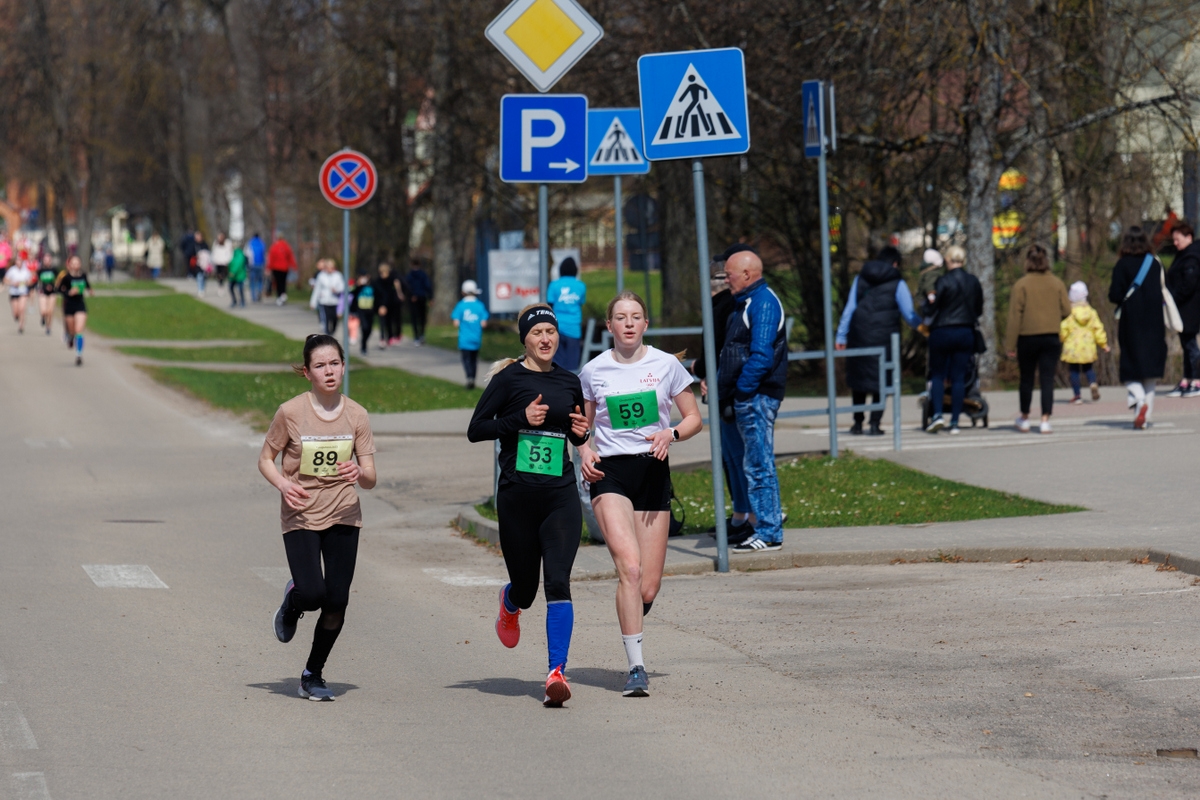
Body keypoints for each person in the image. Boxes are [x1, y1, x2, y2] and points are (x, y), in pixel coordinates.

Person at [577, 292, 702, 697]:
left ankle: (632, 606)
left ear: (645, 324)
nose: (628, 324)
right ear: (609, 326)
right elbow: (581, 427)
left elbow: (694, 418)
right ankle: (636, 668)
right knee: (628, 569)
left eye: (635, 317)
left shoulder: (666, 364)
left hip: (652, 469)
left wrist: (672, 432)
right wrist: (583, 450)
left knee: (647, 586)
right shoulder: (593, 370)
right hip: (610, 473)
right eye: (620, 317)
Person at [466, 305, 590, 707]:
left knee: (558, 580)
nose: (545, 338)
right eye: (537, 332)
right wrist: (520, 418)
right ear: (525, 339)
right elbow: (476, 430)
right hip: (517, 498)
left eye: (550, 332)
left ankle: (557, 672)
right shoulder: (508, 379)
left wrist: (580, 432)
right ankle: (510, 603)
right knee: (527, 587)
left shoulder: (570, 382)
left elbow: (575, 434)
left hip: (559, 496)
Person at [260, 334, 376, 701]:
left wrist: (359, 473)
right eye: (320, 365)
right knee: (313, 593)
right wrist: (282, 483)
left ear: (344, 366)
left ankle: (313, 673)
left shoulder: (357, 414)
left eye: (335, 364)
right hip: (301, 513)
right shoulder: (291, 412)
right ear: (307, 372)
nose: (329, 371)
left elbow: (371, 478)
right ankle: (293, 600)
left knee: (337, 601)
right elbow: (265, 459)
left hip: (344, 512)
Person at [718, 248, 789, 553]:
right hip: (749, 396)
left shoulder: (763, 304)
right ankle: (764, 527)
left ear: (747, 275)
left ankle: (770, 532)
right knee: (753, 464)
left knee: (759, 465)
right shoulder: (747, 303)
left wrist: (743, 391)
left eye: (729, 274)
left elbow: (762, 355)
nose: (725, 279)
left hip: (756, 397)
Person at [692, 245, 753, 543]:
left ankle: (749, 516)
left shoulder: (725, 307)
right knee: (732, 456)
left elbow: (719, 350)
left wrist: (701, 369)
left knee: (738, 456)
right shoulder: (729, 305)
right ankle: (741, 514)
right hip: (722, 385)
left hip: (729, 389)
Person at [835, 246, 921, 435]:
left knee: (859, 380)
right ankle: (874, 424)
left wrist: (841, 335)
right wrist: (923, 326)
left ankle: (857, 424)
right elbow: (909, 314)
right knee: (881, 381)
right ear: (895, 263)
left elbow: (849, 309)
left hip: (859, 335)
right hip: (884, 338)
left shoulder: (860, 278)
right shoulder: (898, 283)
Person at [1005, 244, 1071, 434]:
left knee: (1026, 379)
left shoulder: (1021, 285)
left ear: (1027, 261)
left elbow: (1014, 316)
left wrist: (1010, 344)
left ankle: (1025, 417)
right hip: (1051, 336)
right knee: (1047, 379)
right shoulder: (1056, 283)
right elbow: (1067, 310)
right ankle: (1045, 420)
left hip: (1027, 337)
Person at [1108, 226, 1167, 430]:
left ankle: (1139, 401)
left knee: (1130, 370)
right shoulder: (1155, 264)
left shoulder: (1122, 265)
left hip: (1131, 323)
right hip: (1154, 323)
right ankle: (1143, 418)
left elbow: (1114, 295)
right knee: (1150, 373)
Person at [922, 246, 983, 433]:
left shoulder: (942, 281)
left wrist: (926, 307)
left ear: (948, 260)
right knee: (958, 377)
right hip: (965, 332)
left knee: (938, 375)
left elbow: (933, 309)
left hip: (942, 332)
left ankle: (938, 415)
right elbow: (979, 309)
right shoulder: (973, 281)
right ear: (963, 261)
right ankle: (955, 421)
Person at [1165, 222, 1200, 397]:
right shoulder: (1183, 255)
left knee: (1191, 345)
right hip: (1182, 307)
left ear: (1188, 237)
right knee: (1186, 344)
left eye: (1178, 240)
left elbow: (1189, 283)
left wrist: (1174, 298)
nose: (1175, 244)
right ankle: (1187, 379)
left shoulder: (1192, 257)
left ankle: (1196, 380)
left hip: (1190, 307)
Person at [1060, 281, 1109, 404]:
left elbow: (1063, 329)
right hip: (1088, 347)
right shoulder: (1091, 312)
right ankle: (1092, 384)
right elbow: (1098, 329)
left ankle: (1077, 396)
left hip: (1073, 348)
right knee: (1088, 369)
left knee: (1074, 371)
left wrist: (1061, 339)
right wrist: (1103, 344)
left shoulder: (1069, 314)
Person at [547, 257, 587, 370]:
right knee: (572, 363)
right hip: (574, 328)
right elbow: (581, 302)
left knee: (557, 360)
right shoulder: (581, 286)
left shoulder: (554, 285)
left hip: (557, 327)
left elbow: (550, 304)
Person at [451, 279, 489, 389]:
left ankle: (469, 377)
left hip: (464, 339)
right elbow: (484, 323)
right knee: (474, 360)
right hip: (476, 338)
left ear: (463, 292)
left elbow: (455, 322)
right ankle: (473, 376)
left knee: (466, 359)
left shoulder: (461, 305)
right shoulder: (480, 305)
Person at [55, 255, 92, 366]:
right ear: (70, 265)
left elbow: (88, 285)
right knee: (72, 331)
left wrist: (90, 291)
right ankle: (70, 336)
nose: (76, 265)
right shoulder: (66, 277)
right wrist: (68, 293)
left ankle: (79, 355)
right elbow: (58, 290)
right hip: (69, 305)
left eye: (77, 263)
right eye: (73, 263)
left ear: (80, 264)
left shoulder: (83, 275)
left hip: (80, 305)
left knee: (79, 330)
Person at [310, 259, 345, 335]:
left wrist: (336, 290)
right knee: (326, 319)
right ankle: (327, 334)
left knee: (334, 319)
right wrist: (313, 302)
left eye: (331, 267)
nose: (329, 269)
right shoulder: (321, 276)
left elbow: (342, 287)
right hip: (324, 301)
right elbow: (317, 289)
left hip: (335, 301)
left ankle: (332, 331)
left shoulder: (338, 275)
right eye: (327, 267)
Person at [372, 264, 403, 349]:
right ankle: (382, 338)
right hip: (381, 305)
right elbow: (377, 294)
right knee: (382, 322)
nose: (383, 275)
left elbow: (391, 293)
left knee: (389, 321)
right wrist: (381, 306)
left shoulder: (392, 281)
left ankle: (390, 337)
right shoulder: (377, 282)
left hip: (390, 304)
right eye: (381, 273)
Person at [5, 253, 35, 333]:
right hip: (14, 292)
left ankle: (21, 326)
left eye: (20, 261)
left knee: (22, 309)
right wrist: (12, 283)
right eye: (17, 261)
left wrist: (23, 283)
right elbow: (5, 280)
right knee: (16, 312)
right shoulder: (12, 270)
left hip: (23, 292)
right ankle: (16, 316)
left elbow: (30, 282)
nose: (19, 263)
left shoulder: (26, 271)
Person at [349, 270, 376, 355]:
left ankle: (364, 341)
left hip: (370, 310)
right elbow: (351, 293)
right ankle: (363, 346)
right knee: (364, 327)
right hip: (360, 310)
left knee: (369, 329)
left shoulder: (373, 285)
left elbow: (378, 295)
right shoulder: (357, 286)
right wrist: (358, 285)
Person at [405, 259, 432, 344]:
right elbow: (428, 286)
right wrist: (430, 297)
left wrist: (412, 295)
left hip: (414, 298)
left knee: (414, 318)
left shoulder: (410, 275)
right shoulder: (423, 274)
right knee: (422, 317)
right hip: (422, 297)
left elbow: (407, 286)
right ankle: (422, 334)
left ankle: (416, 336)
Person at [268, 234, 296, 305]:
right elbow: (290, 256)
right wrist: (293, 265)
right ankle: (283, 294)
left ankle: (279, 296)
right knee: (283, 282)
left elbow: (271, 258)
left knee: (278, 282)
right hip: (284, 268)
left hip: (276, 268)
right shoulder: (286, 246)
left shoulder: (274, 246)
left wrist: (269, 267)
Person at [36, 253, 57, 335]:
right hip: (43, 291)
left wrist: (54, 287)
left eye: (48, 260)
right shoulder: (40, 270)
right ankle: (43, 317)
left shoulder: (54, 270)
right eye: (45, 260)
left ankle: (48, 327)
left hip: (52, 292)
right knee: (44, 311)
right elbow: (36, 280)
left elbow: (58, 281)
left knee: (50, 311)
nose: (47, 262)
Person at [211, 232, 234, 298]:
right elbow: (214, 252)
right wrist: (214, 260)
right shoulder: (216, 243)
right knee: (219, 275)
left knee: (224, 275)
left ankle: (223, 285)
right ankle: (220, 286)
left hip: (224, 262)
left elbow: (230, 252)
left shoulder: (227, 243)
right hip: (218, 261)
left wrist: (228, 260)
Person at [247, 232, 267, 302]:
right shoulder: (262, 243)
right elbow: (264, 254)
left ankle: (253, 297)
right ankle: (259, 291)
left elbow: (247, 254)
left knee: (252, 281)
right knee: (260, 280)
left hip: (252, 265)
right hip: (260, 264)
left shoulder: (250, 243)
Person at [228, 241, 247, 308]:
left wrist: (233, 272)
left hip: (239, 275)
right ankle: (234, 301)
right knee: (231, 288)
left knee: (240, 289)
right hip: (233, 276)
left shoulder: (239, 254)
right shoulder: (233, 254)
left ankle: (242, 301)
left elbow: (238, 264)